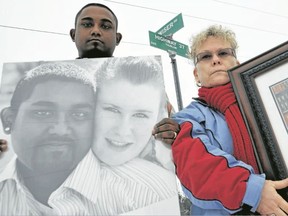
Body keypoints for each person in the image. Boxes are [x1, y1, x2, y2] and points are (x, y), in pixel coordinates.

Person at [168, 24, 288, 215]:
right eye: (206, 56)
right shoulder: (186, 119)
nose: (216, 60)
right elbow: (196, 167)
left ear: (237, 64)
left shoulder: (266, 102)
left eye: (223, 53)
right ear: (196, 74)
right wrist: (254, 191)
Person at [55, 56, 179, 215]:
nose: (123, 130)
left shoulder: (157, 188)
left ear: (158, 118)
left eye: (140, 115)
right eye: (112, 110)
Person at [0, 62, 96, 215]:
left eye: (80, 115)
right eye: (43, 113)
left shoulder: (134, 192)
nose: (60, 130)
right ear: (9, 120)